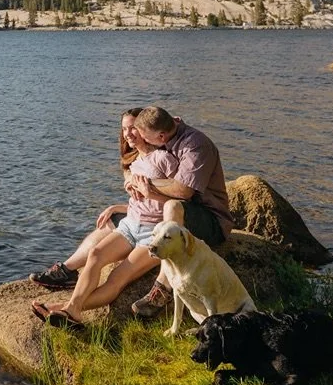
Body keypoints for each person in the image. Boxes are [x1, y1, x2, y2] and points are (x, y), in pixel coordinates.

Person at [30, 105, 233, 327]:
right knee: (96, 253)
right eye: (126, 130)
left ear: (158, 135)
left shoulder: (179, 150)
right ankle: (71, 299)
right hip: (134, 224)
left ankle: (159, 289)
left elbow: (183, 196)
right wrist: (124, 202)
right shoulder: (141, 157)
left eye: (135, 130)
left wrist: (146, 187)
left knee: (119, 275)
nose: (129, 135)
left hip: (186, 221)